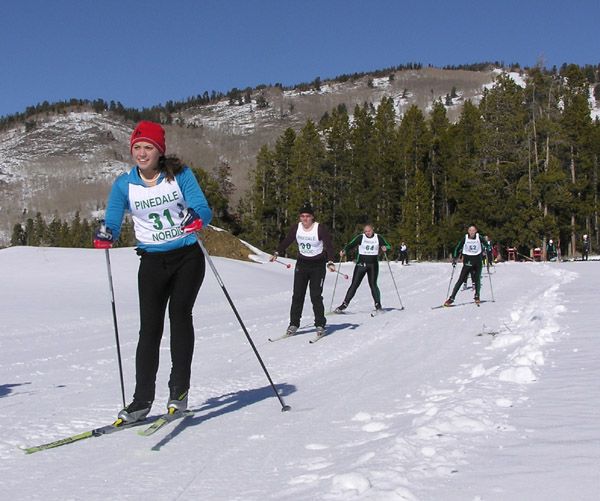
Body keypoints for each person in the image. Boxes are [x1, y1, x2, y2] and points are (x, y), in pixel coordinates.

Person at [94, 120, 212, 423]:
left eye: (148, 148)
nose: (142, 153)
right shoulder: (124, 184)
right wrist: (107, 233)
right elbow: (113, 219)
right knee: (149, 329)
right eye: (137, 147)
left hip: (187, 256)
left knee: (180, 315)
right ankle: (141, 400)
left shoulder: (180, 175)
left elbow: (203, 207)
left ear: (160, 152)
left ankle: (178, 391)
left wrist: (195, 217)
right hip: (151, 261)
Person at [271, 203, 336, 337]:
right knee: (298, 295)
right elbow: (288, 240)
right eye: (302, 216)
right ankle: (294, 324)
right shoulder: (297, 228)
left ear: (312, 217)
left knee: (315, 296)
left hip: (317, 265)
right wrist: (277, 252)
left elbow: (329, 245)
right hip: (302, 264)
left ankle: (320, 324)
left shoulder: (319, 228)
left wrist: (330, 261)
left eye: (307, 216)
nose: (305, 219)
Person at [335, 224, 391, 313]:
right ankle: (344, 304)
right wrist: (344, 250)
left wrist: (385, 248)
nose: (367, 233)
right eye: (365, 231)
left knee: (373, 284)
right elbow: (350, 244)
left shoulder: (378, 237)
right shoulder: (361, 237)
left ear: (373, 230)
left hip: (373, 265)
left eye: (369, 231)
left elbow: (388, 246)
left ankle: (378, 305)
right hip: (361, 265)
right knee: (354, 284)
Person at [444, 225, 484, 306]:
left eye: (473, 230)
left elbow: (486, 244)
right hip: (468, 261)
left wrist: (488, 248)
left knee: (477, 279)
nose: (472, 232)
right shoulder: (465, 238)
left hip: (478, 260)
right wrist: (455, 258)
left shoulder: (479, 237)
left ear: (476, 231)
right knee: (461, 279)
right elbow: (458, 247)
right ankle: (452, 298)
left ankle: (477, 296)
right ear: (468, 231)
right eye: (470, 230)